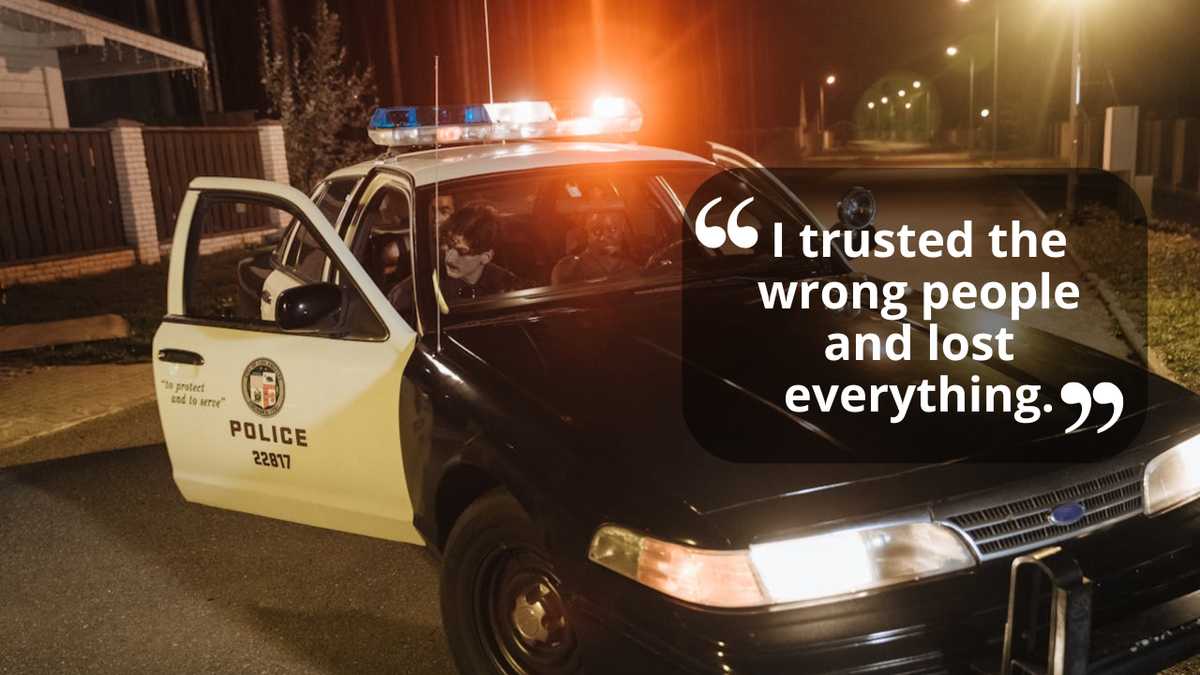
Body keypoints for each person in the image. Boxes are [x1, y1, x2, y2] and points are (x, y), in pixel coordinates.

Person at [550, 209, 638, 285]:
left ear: (622, 229)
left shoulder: (635, 267)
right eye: (596, 231)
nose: (603, 237)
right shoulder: (568, 270)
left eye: (612, 229)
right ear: (586, 233)